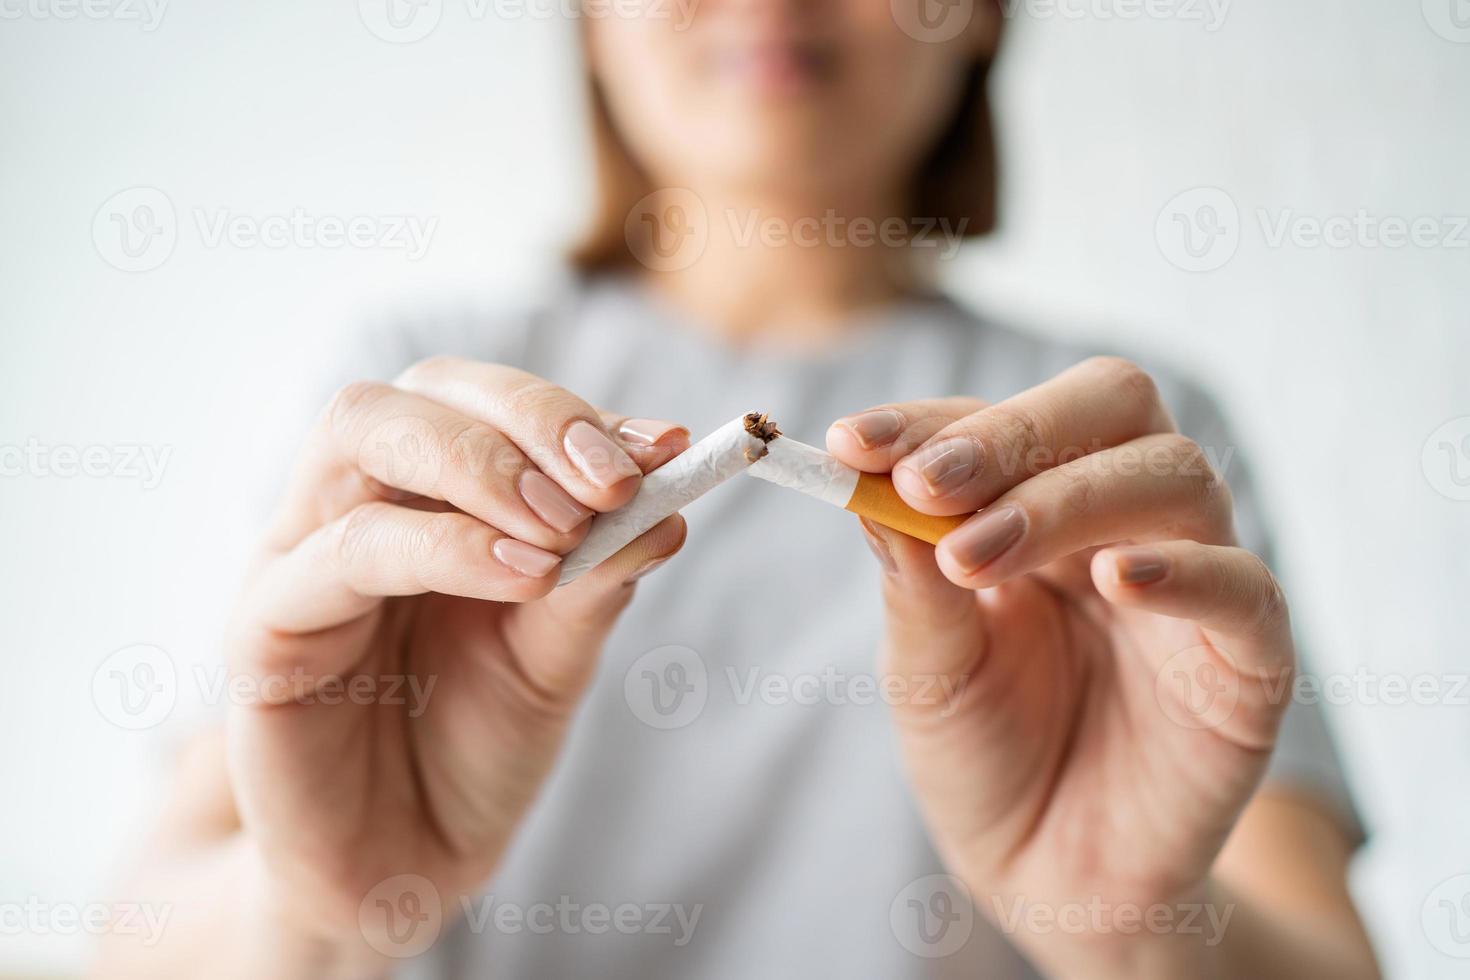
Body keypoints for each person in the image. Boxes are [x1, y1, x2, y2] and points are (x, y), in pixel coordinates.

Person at [97, 0, 1382, 977]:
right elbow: (129, 937)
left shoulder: (1121, 441)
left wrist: (1140, 929)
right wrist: (312, 909)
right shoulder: (414, 398)